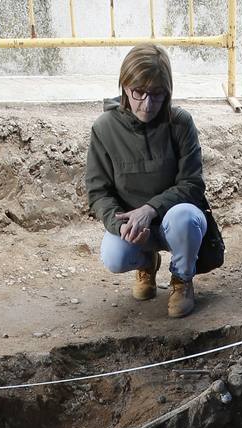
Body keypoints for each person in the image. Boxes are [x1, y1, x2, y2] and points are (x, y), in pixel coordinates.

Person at [86, 44, 208, 319]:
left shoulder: (180, 123)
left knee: (186, 218)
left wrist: (150, 209)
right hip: (134, 227)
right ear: (125, 87)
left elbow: (192, 185)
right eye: (138, 93)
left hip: (172, 220)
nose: (147, 104)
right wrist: (121, 226)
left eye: (157, 95)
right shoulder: (104, 128)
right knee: (114, 256)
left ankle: (182, 279)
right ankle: (146, 264)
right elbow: (98, 191)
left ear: (168, 92)